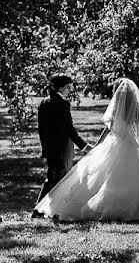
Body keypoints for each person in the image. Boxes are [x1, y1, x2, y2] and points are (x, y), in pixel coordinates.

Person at [34, 78, 139, 221]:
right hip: (134, 145)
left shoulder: (116, 109)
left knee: (107, 176)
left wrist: (97, 146)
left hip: (116, 144)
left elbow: (108, 129)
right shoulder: (137, 109)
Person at [32, 74, 92, 218]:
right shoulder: (63, 104)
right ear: (60, 88)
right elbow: (69, 129)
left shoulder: (43, 103)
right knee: (58, 179)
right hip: (62, 147)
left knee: (55, 177)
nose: (69, 89)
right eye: (68, 87)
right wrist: (84, 146)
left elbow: (41, 129)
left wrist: (45, 148)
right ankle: (41, 211)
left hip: (50, 147)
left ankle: (47, 211)